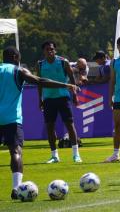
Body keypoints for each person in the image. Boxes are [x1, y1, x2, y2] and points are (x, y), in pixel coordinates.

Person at [1, 46, 78, 199]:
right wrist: (66, 85)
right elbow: (40, 81)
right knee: (15, 152)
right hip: (11, 119)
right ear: (16, 58)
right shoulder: (18, 71)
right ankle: (16, 188)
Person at [37, 41, 82, 163]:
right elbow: (40, 83)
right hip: (48, 99)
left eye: (51, 49)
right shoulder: (40, 65)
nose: (50, 51)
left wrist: (75, 95)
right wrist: (40, 99)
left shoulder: (63, 62)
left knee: (69, 125)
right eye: (47, 49)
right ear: (44, 51)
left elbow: (72, 78)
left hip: (63, 98)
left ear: (55, 50)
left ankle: (76, 154)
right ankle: (54, 156)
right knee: (50, 127)